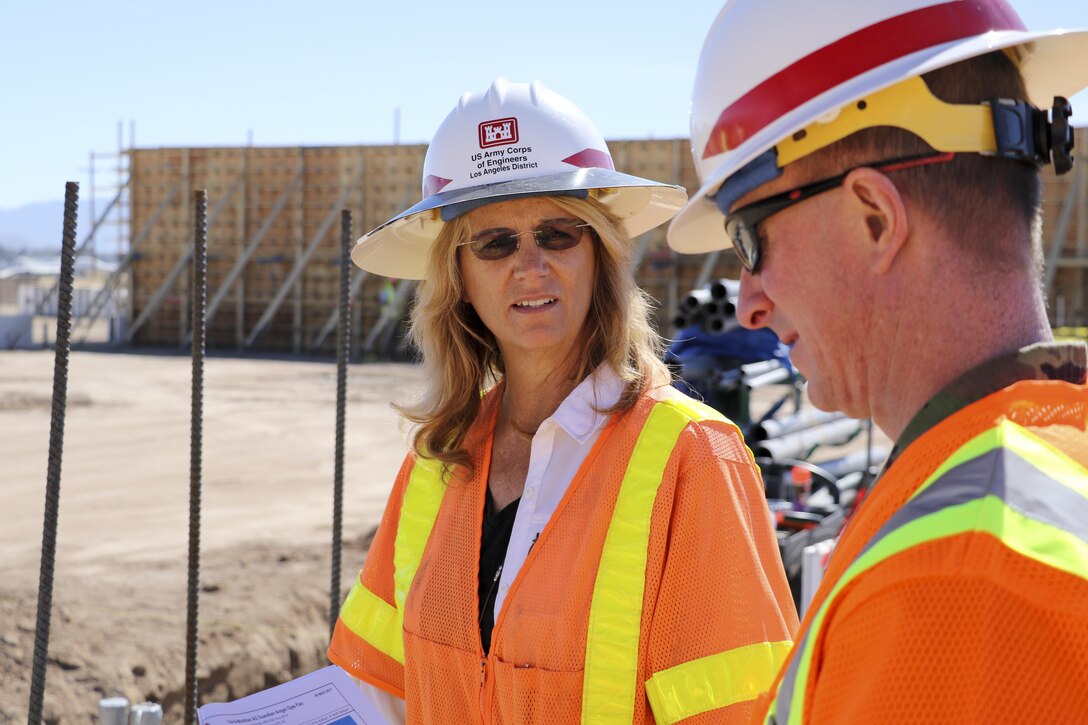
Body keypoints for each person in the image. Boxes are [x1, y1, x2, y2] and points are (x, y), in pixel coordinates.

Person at [328, 78, 798, 724]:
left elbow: (735, 712)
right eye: (495, 242)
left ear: (601, 256)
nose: (531, 265)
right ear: (458, 277)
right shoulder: (434, 463)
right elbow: (373, 696)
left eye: (558, 234)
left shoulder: (692, 459)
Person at [667, 1, 1088, 721]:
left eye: (749, 242)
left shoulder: (952, 581)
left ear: (875, 219)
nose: (750, 305)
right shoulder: (1052, 455)